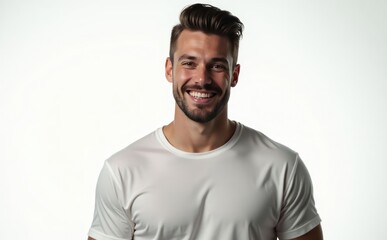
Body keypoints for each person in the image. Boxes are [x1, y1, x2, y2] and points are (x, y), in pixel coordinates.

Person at [87, 3, 323, 240]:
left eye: (217, 66)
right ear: (169, 70)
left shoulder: (282, 167)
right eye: (189, 63)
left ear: (235, 75)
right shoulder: (122, 171)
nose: (201, 79)